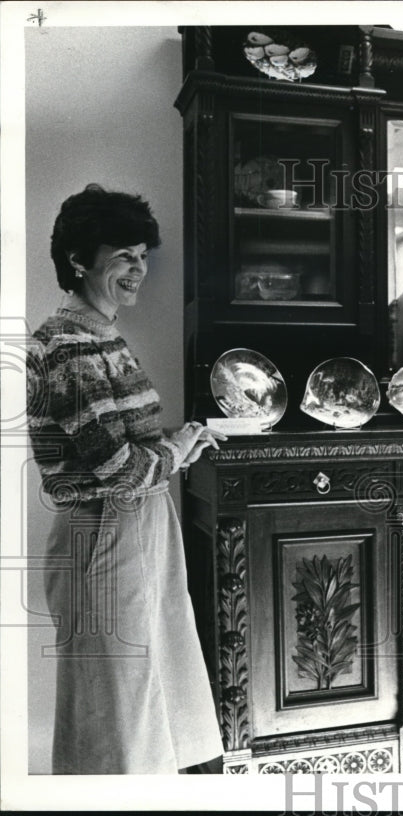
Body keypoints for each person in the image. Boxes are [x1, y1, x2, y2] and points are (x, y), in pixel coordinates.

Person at [26, 184, 227, 774]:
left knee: (143, 698)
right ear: (79, 259)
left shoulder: (102, 334)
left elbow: (125, 449)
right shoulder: (67, 345)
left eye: (143, 256)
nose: (139, 270)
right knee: (118, 706)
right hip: (107, 532)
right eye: (123, 256)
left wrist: (180, 443)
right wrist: (179, 447)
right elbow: (121, 471)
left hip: (134, 529)